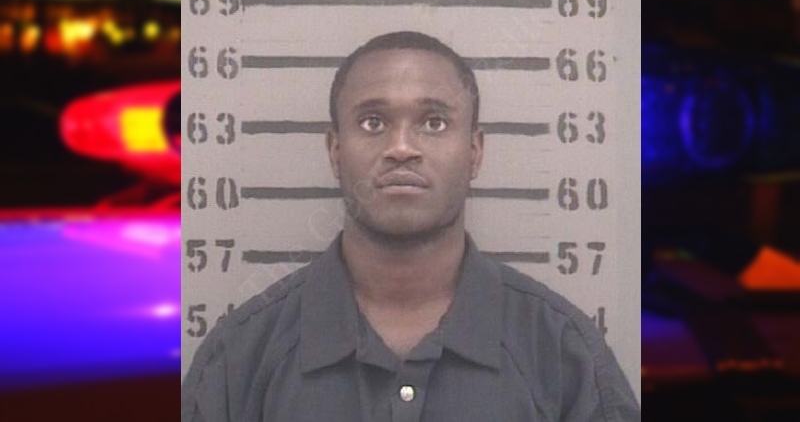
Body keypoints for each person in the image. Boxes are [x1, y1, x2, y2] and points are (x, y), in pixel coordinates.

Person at [181, 31, 640, 421]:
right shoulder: (238, 361)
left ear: (475, 151)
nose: (401, 147)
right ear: (336, 151)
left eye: (434, 123)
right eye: (373, 122)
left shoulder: (563, 355)